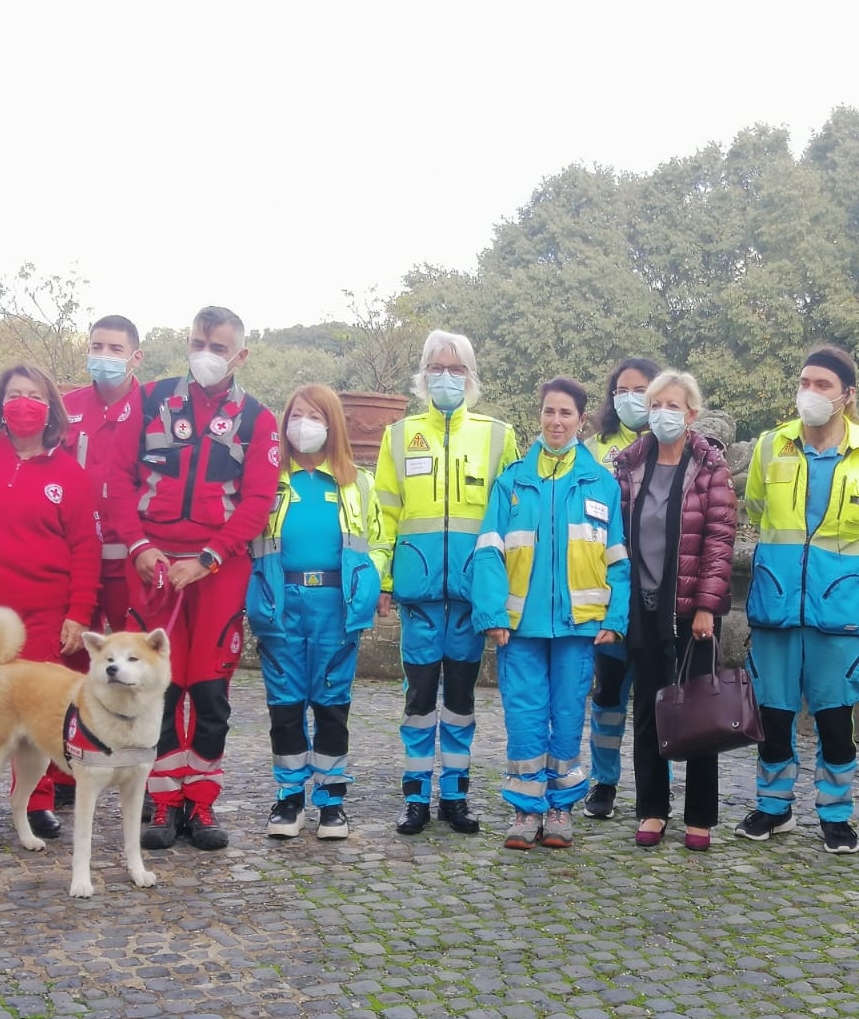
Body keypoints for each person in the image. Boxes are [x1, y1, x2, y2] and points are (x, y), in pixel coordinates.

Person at [741, 345, 859, 852]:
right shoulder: (773, 446)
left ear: (847, 395)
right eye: (805, 382)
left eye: (822, 385)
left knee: (835, 715)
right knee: (772, 712)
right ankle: (773, 808)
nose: (810, 393)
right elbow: (755, 507)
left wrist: (844, 568)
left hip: (838, 607)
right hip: (775, 602)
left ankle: (836, 812)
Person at [128, 306, 282, 852]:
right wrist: (140, 547)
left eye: (218, 347)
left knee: (211, 694)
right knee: (159, 692)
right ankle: (164, 804)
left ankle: (202, 803)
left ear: (240, 354)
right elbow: (119, 480)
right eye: (199, 343)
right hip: (153, 567)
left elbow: (259, 502)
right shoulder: (150, 400)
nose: (206, 355)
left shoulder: (258, 419)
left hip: (218, 570)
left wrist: (211, 558)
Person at [0, 363, 101, 839]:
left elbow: (85, 549)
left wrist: (78, 613)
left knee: (44, 710)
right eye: (14, 394)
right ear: (0, 403)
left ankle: (37, 803)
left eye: (33, 395)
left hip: (42, 615)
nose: (23, 403)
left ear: (50, 409)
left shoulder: (70, 474)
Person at [372, 331, 518, 836]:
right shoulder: (398, 435)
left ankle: (455, 797)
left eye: (456, 370)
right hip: (418, 596)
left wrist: (500, 594)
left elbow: (510, 523)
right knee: (418, 701)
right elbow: (384, 516)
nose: (447, 378)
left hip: (471, 596)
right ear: (423, 374)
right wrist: (384, 580)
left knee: (460, 699)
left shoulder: (499, 435)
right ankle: (415, 799)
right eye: (438, 368)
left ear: (471, 377)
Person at [474, 378, 629, 850]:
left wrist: (614, 619)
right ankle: (525, 810)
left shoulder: (601, 482)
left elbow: (618, 559)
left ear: (582, 421)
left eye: (566, 413)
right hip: (518, 628)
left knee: (565, 716)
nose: (556, 421)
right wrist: (492, 613)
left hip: (579, 629)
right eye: (548, 412)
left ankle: (560, 807)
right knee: (524, 717)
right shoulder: (513, 481)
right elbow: (488, 552)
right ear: (538, 417)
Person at [248, 385, 384, 840]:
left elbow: (381, 540)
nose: (302, 424)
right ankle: (288, 800)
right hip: (279, 602)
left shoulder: (356, 483)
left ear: (332, 425)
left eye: (313, 415)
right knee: (285, 706)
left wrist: (370, 585)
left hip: (336, 605)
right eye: (295, 414)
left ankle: (331, 803)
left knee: (331, 706)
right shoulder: (267, 480)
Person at [612, 370, 736, 850]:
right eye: (655, 403)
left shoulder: (710, 467)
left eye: (673, 405)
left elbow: (720, 541)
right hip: (642, 606)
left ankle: (700, 815)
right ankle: (651, 809)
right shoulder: (630, 463)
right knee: (647, 708)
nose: (663, 412)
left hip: (691, 611)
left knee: (700, 712)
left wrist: (706, 606)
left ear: (691, 413)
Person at [49, 313, 148, 811]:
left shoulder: (153, 410)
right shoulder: (65, 411)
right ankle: (68, 770)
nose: (103, 356)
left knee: (136, 668)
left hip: (132, 560)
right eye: (96, 346)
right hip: (75, 560)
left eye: (115, 348)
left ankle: (145, 774)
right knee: (71, 665)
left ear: (136, 357)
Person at [581, 357, 658, 820]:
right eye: (621, 389)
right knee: (608, 698)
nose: (630, 397)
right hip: (605, 589)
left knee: (654, 698)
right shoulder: (591, 449)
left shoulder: (671, 444)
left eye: (640, 389)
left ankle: (655, 789)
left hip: (654, 592)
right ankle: (603, 782)